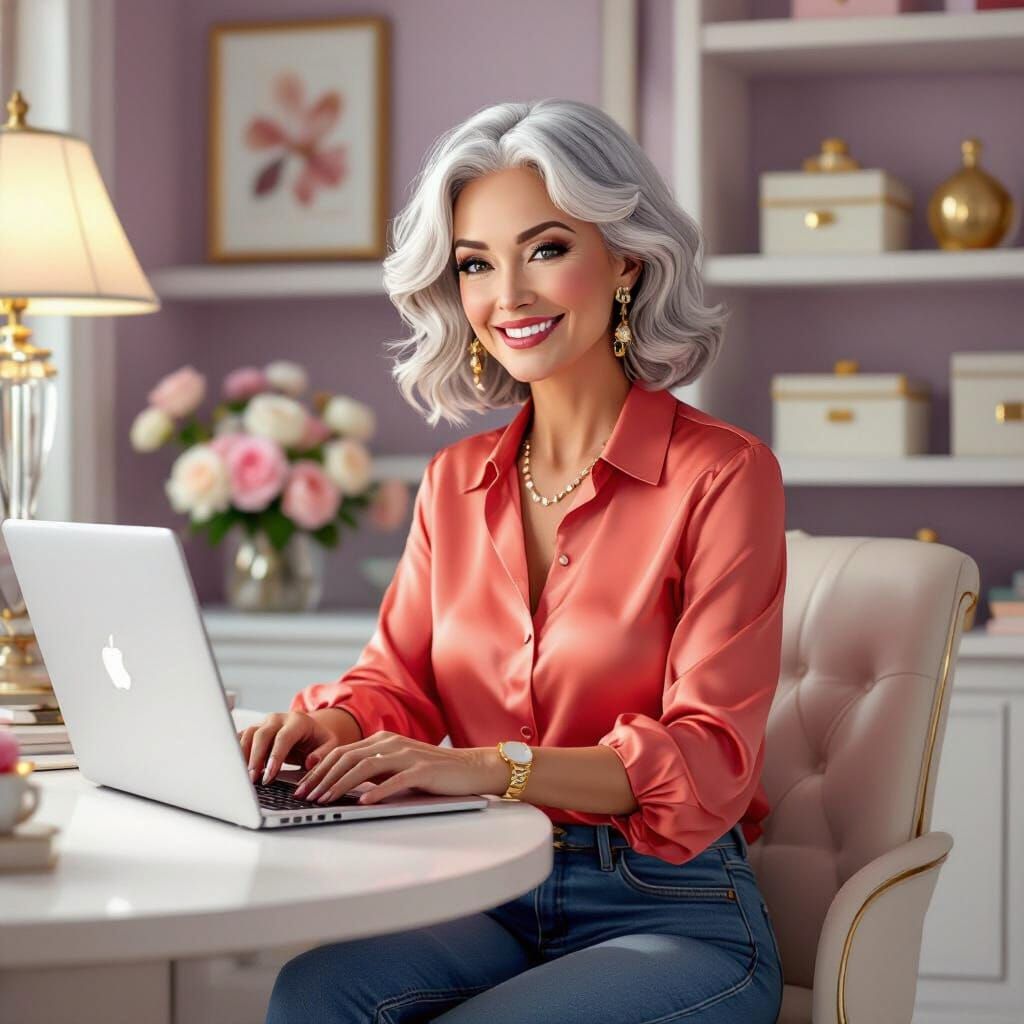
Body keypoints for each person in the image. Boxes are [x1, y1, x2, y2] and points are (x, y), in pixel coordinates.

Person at [242, 97, 786, 1024]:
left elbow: (710, 760)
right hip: (485, 884)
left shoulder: (724, 473)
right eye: (475, 265)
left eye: (545, 249)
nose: (509, 297)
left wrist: (498, 767)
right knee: (315, 994)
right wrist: (329, 731)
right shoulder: (454, 480)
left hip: (670, 907)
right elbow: (397, 683)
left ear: (625, 259)